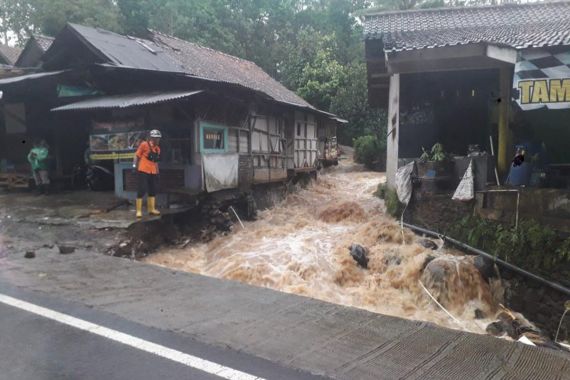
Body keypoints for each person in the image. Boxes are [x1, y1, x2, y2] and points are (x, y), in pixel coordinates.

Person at [133, 129, 162, 218]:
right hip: (143, 170)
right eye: (156, 138)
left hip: (152, 171)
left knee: (153, 190)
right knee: (142, 189)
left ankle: (151, 209)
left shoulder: (157, 149)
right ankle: (138, 211)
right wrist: (134, 166)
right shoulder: (144, 145)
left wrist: (157, 172)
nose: (157, 140)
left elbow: (156, 162)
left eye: (158, 138)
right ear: (151, 138)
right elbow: (136, 155)